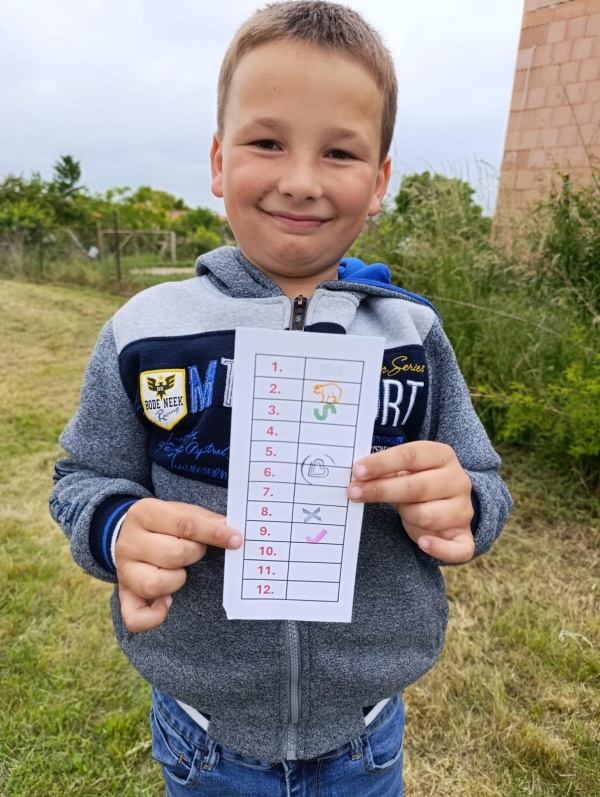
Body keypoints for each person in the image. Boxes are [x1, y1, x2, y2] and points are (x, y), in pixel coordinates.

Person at [50, 2, 512, 794]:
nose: (300, 181)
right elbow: (81, 477)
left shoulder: (412, 335)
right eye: (267, 143)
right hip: (202, 734)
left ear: (379, 182)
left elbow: (483, 484)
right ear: (219, 160)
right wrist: (118, 525)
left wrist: (462, 503)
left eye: (340, 152)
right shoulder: (144, 330)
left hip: (364, 735)